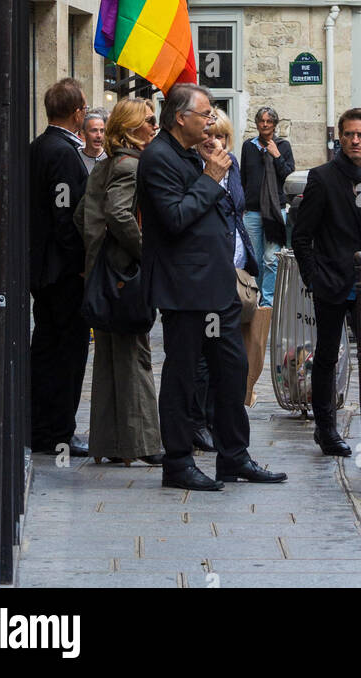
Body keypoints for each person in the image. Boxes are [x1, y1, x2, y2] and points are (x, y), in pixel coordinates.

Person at [138, 84, 286, 491]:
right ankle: (179, 462)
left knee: (232, 370)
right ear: (180, 118)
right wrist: (210, 177)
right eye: (204, 114)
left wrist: (215, 173)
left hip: (217, 285)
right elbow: (174, 218)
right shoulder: (158, 158)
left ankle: (234, 456)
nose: (210, 121)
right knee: (183, 375)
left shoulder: (193, 153)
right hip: (185, 290)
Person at [292, 108, 361, 465]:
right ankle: (327, 428)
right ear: (341, 137)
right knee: (326, 355)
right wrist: (313, 276)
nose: (355, 140)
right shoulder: (323, 177)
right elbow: (302, 236)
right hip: (332, 280)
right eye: (349, 134)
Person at [74, 98, 163, 466]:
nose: (155, 126)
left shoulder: (108, 163)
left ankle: (109, 444)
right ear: (130, 130)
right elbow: (119, 213)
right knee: (134, 357)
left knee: (111, 359)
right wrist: (145, 254)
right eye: (149, 121)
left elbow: (83, 216)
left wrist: (96, 256)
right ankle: (143, 445)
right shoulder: (129, 165)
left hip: (104, 275)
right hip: (123, 277)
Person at [190, 109, 263, 449]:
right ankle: (199, 421)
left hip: (235, 270)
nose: (215, 141)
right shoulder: (194, 168)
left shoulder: (231, 164)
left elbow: (238, 212)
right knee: (206, 352)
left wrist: (248, 261)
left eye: (221, 135)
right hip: (207, 274)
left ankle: (222, 423)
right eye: (209, 135)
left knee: (229, 352)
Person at [29, 78, 91, 456]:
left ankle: (43, 425)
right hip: (62, 272)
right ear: (78, 112)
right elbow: (65, 213)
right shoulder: (62, 153)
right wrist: (78, 263)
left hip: (45, 269)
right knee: (66, 352)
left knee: (48, 347)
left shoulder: (39, 146)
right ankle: (59, 431)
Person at [239, 106, 295, 307]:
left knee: (271, 259)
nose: (265, 125)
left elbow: (288, 176)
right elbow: (243, 176)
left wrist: (277, 155)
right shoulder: (248, 146)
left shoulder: (283, 146)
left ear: (274, 124)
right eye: (261, 121)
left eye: (269, 121)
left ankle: (268, 302)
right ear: (257, 124)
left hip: (275, 209)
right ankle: (259, 295)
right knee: (255, 258)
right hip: (252, 211)